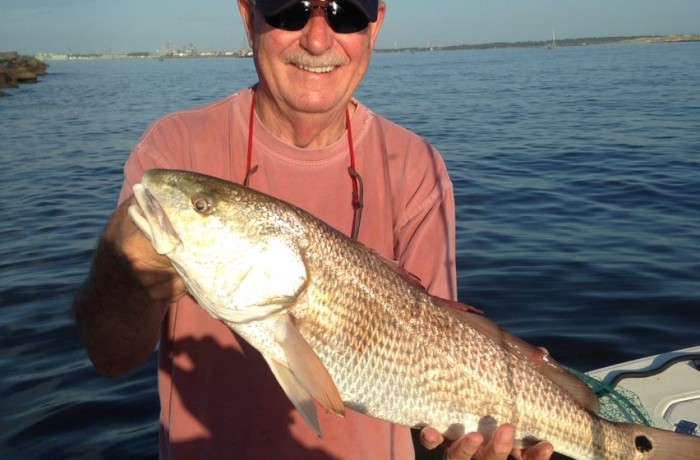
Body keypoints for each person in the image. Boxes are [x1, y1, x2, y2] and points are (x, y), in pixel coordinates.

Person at [73, 1, 554, 459]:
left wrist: (476, 444)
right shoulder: (174, 148)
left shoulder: (416, 166)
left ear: (375, 25)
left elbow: (448, 339)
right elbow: (110, 358)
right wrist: (122, 269)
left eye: (346, 12)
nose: (319, 39)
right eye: (289, 8)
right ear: (248, 15)